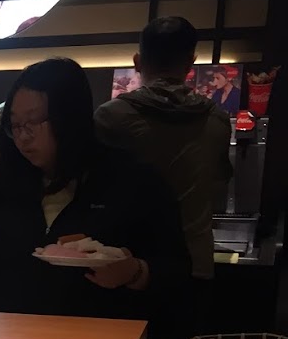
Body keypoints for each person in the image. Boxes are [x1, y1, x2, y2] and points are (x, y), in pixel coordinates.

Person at [0, 57, 191, 339]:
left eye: (34, 122)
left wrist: (135, 272)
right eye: (15, 125)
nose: (23, 137)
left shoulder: (131, 181)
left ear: (70, 118)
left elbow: (176, 274)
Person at [95, 17, 232, 298]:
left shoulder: (110, 117)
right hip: (195, 265)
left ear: (137, 61)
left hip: (127, 267)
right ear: (191, 63)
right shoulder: (217, 120)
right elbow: (218, 189)